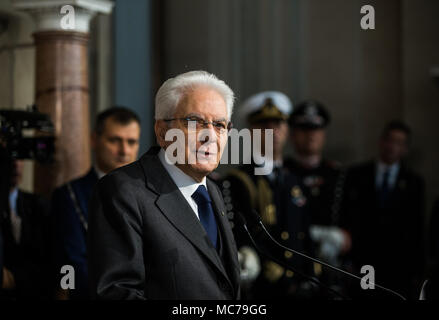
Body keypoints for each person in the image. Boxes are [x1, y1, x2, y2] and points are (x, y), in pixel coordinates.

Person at [88, 71, 240, 300]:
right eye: (195, 122)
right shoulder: (122, 191)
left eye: (219, 125)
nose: (210, 135)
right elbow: (116, 292)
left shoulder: (215, 192)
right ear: (162, 132)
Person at [221, 91, 320, 299]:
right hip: (264, 290)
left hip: (301, 288)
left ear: (287, 130)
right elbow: (240, 237)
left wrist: (311, 276)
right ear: (251, 131)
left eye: (278, 124)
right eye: (264, 126)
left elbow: (304, 235)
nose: (272, 131)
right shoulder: (239, 180)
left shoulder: (294, 180)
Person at [51, 107, 141, 300]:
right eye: (114, 140)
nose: (124, 151)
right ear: (94, 140)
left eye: (131, 142)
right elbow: (72, 263)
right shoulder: (69, 195)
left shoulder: (149, 194)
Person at [342, 121, 425, 299]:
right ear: (381, 142)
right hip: (363, 261)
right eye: (389, 140)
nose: (392, 147)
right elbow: (347, 216)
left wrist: (417, 270)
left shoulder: (414, 182)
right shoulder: (356, 175)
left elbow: (417, 227)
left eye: (399, 142)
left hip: (399, 265)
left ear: (405, 149)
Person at [286, 100, 351, 267]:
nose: (311, 135)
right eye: (304, 129)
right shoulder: (283, 173)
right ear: (292, 134)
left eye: (316, 129)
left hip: (333, 264)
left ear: (324, 134)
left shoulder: (339, 175)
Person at [1, 159, 51, 299]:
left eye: (20, 157)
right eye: (8, 157)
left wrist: (14, 278)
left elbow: (60, 262)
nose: (15, 164)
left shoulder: (40, 206)